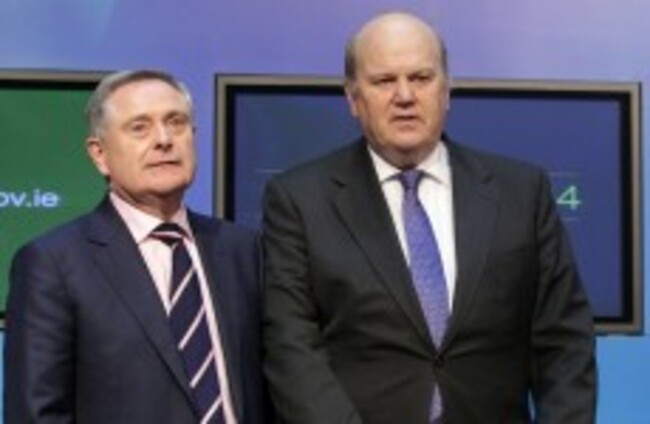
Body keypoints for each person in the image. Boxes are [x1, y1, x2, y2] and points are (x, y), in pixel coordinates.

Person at [261, 12, 596, 423]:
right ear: (353, 99)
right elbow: (292, 349)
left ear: (446, 90)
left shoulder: (522, 192)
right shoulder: (298, 200)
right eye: (384, 81)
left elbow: (565, 343)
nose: (404, 96)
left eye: (421, 78)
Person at [5, 70, 268, 423]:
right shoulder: (53, 263)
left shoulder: (244, 250)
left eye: (176, 123)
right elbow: (37, 413)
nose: (164, 140)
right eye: (139, 128)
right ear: (99, 154)